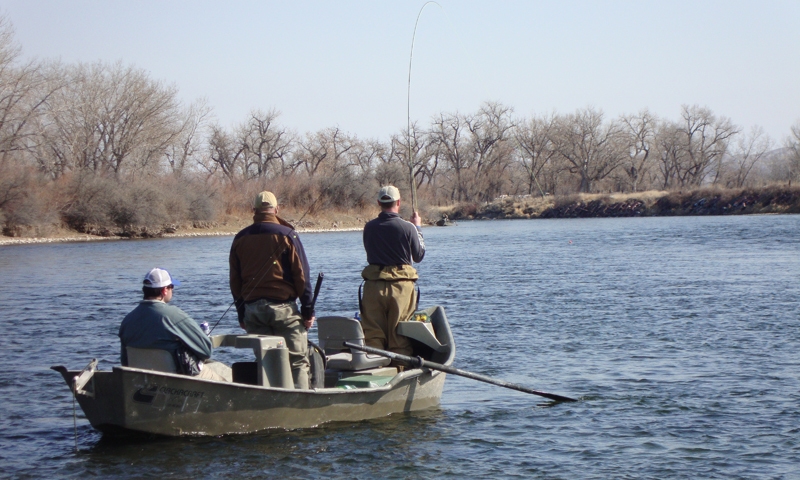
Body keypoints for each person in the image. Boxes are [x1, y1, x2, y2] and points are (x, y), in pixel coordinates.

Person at [229, 191, 316, 389]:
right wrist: (308, 311)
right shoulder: (288, 235)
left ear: (254, 211)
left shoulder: (240, 238)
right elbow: (302, 276)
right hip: (283, 310)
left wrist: (241, 313)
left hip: (252, 311)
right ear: (276, 210)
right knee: (297, 361)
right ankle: (299, 408)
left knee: (265, 362)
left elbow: (235, 281)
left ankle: (269, 405)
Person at [119, 268, 232, 382]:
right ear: (164, 290)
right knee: (226, 378)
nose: (172, 290)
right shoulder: (174, 316)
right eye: (171, 287)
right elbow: (206, 351)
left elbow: (125, 362)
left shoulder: (127, 321)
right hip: (179, 382)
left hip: (142, 382)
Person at [361, 185, 425, 356]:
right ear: (398, 202)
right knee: (400, 338)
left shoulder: (369, 227)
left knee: (373, 337)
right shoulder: (408, 227)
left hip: (373, 286)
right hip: (401, 289)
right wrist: (417, 227)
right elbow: (419, 255)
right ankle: (399, 373)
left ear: (378, 203)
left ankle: (375, 375)